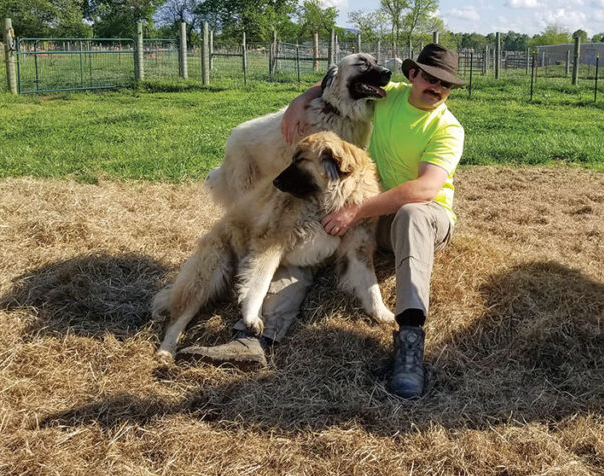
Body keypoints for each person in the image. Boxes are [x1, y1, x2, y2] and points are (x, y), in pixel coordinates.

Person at [178, 43, 465, 399]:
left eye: (446, 84)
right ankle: (255, 337)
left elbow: (424, 188)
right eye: (431, 78)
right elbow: (334, 84)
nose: (437, 88)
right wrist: (299, 102)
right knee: (302, 232)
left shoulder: (447, 128)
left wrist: (355, 211)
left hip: (421, 216)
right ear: (413, 75)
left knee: (411, 214)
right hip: (369, 202)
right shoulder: (387, 96)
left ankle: (409, 338)